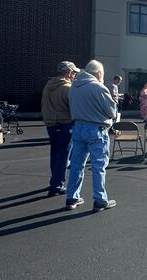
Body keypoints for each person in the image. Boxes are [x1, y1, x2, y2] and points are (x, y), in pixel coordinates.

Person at [66, 60, 117, 212]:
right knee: (98, 166)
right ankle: (100, 199)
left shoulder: (74, 87)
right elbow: (111, 112)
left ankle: (72, 197)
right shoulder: (98, 87)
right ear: (98, 73)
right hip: (96, 129)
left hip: (78, 127)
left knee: (76, 165)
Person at [41, 61, 79, 197]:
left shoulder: (48, 86)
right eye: (73, 72)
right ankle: (57, 184)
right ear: (68, 73)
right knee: (63, 155)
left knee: (55, 153)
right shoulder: (67, 88)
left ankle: (54, 180)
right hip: (64, 124)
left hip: (51, 124)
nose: (74, 75)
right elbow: (73, 107)